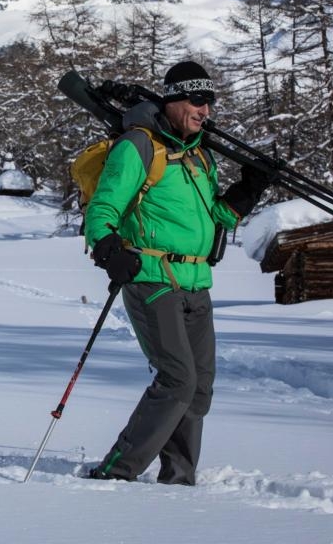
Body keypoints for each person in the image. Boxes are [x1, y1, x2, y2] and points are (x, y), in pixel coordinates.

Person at [84, 61, 271, 485]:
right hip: (152, 277)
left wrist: (250, 189)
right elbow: (103, 208)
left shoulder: (199, 155)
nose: (205, 110)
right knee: (177, 379)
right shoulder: (138, 147)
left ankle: (179, 481)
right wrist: (109, 248)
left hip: (197, 282)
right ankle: (117, 471)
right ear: (172, 100)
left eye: (210, 101)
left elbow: (215, 217)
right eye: (197, 100)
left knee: (199, 388)